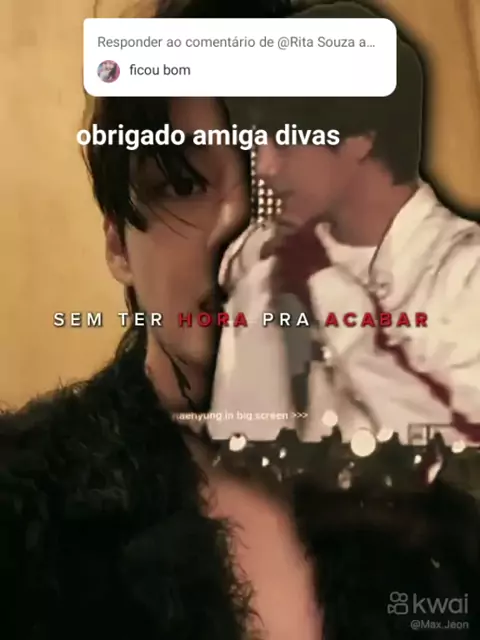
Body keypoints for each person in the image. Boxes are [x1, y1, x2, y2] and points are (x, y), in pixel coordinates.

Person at [211, 0, 480, 450]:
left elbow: (461, 464)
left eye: (285, 138)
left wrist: (335, 299)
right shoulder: (266, 282)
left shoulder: (466, 275)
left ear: (360, 137)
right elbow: (236, 462)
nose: (265, 166)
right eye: (258, 139)